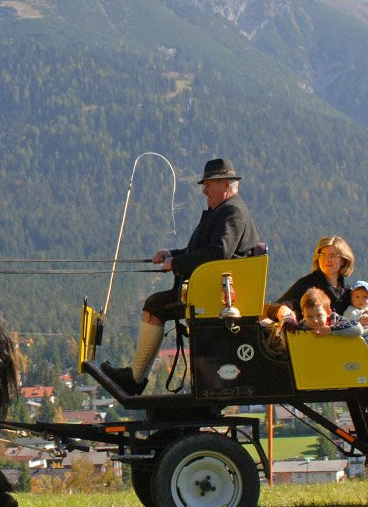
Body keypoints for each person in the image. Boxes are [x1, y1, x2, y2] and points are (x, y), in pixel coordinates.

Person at [102, 158, 261, 395]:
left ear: (225, 184)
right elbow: (200, 250)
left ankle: (135, 379)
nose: (204, 190)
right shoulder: (222, 211)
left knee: (154, 306)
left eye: (208, 184)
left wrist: (175, 263)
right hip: (209, 290)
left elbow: (219, 252)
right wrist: (171, 254)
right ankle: (135, 377)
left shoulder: (232, 212)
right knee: (156, 305)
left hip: (215, 297)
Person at [295, 288, 368, 380]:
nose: (315, 320)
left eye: (319, 315)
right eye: (309, 316)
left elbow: (357, 328)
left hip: (341, 363)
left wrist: (331, 330)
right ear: (303, 315)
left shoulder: (336, 321)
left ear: (328, 312)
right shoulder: (302, 328)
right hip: (318, 366)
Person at [269, 236, 356, 322]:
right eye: (322, 255)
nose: (327, 259)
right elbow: (275, 307)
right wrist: (284, 312)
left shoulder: (349, 292)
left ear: (343, 260)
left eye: (332, 256)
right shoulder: (307, 284)